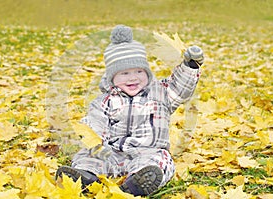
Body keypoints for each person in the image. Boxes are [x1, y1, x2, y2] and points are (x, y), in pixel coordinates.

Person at [55, 24, 204, 196]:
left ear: (147, 72)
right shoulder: (105, 101)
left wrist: (190, 66)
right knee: (87, 156)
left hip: (149, 151)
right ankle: (86, 177)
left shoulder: (160, 93)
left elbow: (180, 88)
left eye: (139, 71)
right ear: (112, 77)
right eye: (124, 74)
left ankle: (137, 183)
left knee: (161, 162)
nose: (133, 77)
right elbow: (94, 125)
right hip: (113, 153)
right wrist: (96, 147)